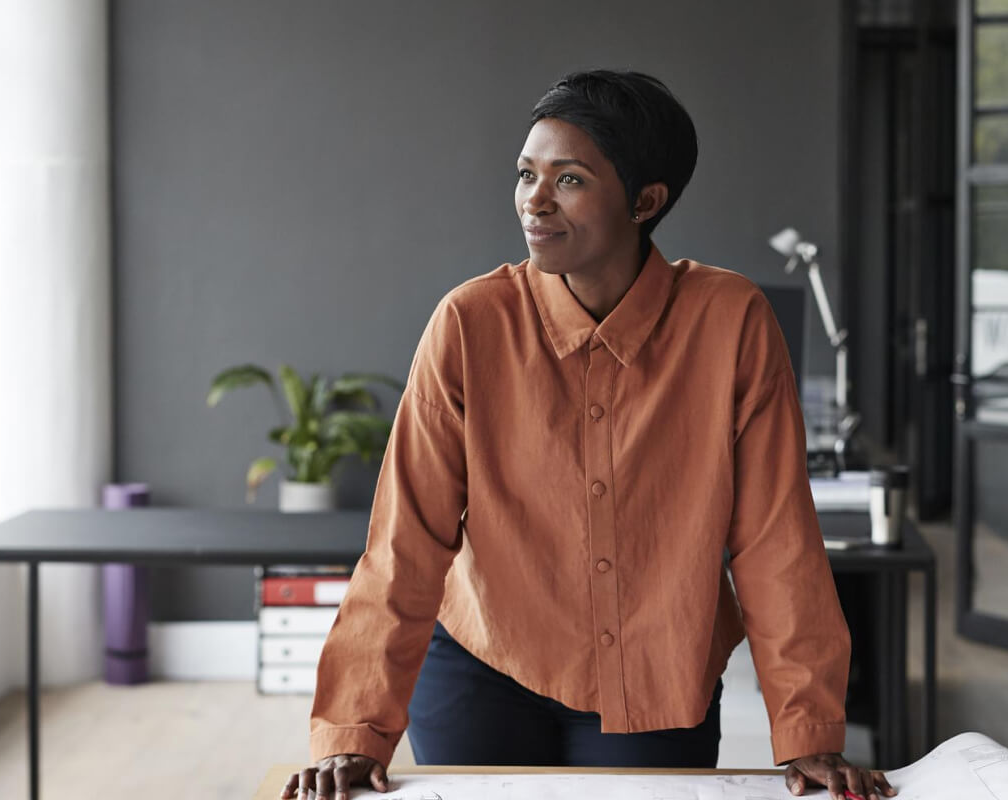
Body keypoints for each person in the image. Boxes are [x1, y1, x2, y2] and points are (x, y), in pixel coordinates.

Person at [281, 69, 896, 800]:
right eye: (525, 174)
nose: (533, 201)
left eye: (568, 179)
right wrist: (353, 730)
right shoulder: (469, 324)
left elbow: (775, 539)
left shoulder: (732, 322)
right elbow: (403, 543)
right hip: (485, 665)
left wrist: (809, 733)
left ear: (646, 200)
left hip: (658, 675)